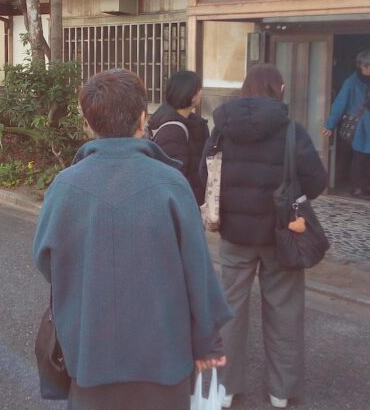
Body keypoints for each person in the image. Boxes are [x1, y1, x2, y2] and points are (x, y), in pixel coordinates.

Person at [34, 69, 232, 410]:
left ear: (88, 124)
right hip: (164, 357)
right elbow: (197, 271)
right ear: (143, 119)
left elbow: (46, 261)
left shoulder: (64, 186)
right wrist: (206, 343)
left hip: (90, 355)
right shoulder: (171, 183)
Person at [201, 64, 327, 409]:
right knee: (284, 310)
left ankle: (225, 389)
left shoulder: (223, 128)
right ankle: (281, 391)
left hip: (234, 235)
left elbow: (204, 174)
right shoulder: (291, 131)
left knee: (229, 309)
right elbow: (317, 181)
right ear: (279, 89)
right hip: (282, 235)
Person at [324, 50, 370, 199]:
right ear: (363, 67)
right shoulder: (351, 82)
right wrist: (330, 124)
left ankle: (369, 187)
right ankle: (358, 188)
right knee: (360, 158)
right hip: (360, 127)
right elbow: (340, 103)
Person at [148, 70, 209, 203]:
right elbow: (173, 178)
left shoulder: (190, 122)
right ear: (191, 95)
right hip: (184, 204)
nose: (201, 92)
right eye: (199, 89)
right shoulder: (173, 131)